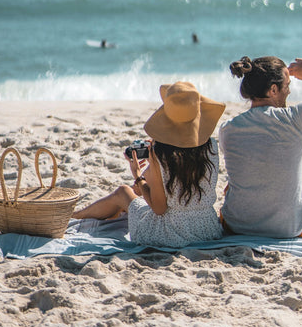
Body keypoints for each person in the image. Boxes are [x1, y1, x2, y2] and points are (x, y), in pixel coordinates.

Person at [74, 82, 226, 247]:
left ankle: (76, 216)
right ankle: (82, 214)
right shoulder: (211, 145)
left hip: (171, 234)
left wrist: (138, 175)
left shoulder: (161, 153)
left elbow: (159, 209)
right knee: (137, 194)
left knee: (124, 192)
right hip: (208, 229)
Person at [219, 56, 302, 238]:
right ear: (273, 90)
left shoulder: (228, 128)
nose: (289, 91)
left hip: (235, 225)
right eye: (287, 85)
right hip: (289, 228)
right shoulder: (295, 119)